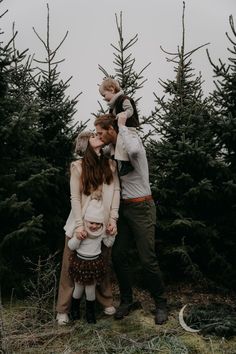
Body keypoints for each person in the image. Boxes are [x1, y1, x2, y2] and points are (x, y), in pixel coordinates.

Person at [94, 114, 168, 325]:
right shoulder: (111, 150)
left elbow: (134, 151)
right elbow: (93, 154)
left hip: (142, 206)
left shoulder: (132, 141)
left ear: (111, 129)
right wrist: (98, 143)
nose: (99, 136)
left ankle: (161, 304)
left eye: (101, 132)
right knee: (118, 256)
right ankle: (127, 301)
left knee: (147, 259)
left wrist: (121, 125)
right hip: (123, 209)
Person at [56, 131, 120, 325]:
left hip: (104, 223)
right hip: (81, 223)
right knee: (70, 266)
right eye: (92, 135)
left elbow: (116, 190)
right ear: (85, 144)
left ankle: (105, 301)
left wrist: (114, 219)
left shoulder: (111, 165)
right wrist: (78, 225)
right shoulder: (77, 167)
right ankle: (63, 310)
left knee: (102, 264)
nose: (97, 135)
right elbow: (75, 198)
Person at [68, 192, 116, 324]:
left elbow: (108, 244)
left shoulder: (100, 233)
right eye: (91, 223)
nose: (94, 226)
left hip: (94, 264)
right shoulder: (81, 232)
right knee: (78, 288)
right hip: (80, 263)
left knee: (90, 290)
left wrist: (112, 235)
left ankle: (90, 313)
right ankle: (75, 310)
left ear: (101, 224)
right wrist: (77, 238)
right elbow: (71, 246)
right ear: (85, 220)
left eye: (97, 223)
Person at [99, 77, 139, 176]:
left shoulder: (123, 99)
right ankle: (114, 158)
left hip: (128, 127)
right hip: (120, 129)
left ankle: (127, 163)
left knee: (121, 141)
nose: (104, 98)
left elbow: (130, 110)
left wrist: (124, 114)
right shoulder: (113, 107)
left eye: (104, 95)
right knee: (113, 143)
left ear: (112, 90)